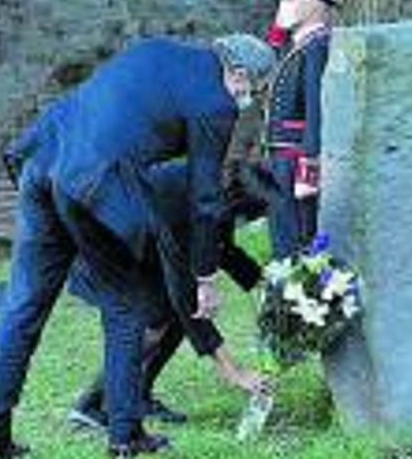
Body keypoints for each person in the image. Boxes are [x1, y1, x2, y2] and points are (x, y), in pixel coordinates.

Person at [0, 34, 275, 458]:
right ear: (237, 73)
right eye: (254, 89)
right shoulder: (215, 101)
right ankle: (125, 433)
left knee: (23, 306)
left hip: (44, 156)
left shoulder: (156, 50)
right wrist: (204, 276)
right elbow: (205, 197)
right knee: (127, 308)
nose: (250, 99)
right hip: (93, 180)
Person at [66, 161, 269, 430]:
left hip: (141, 246)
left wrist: (269, 286)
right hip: (104, 248)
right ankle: (90, 405)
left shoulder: (212, 194)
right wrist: (233, 371)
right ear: (232, 202)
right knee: (152, 323)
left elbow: (222, 248)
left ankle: (139, 396)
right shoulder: (183, 208)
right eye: (247, 217)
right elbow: (185, 296)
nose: (246, 223)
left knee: (168, 316)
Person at [263, 0, 339, 259]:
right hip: (280, 153)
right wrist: (279, 31)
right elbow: (272, 61)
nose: (287, 3)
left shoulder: (318, 46)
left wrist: (310, 164)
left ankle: (298, 294)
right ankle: (284, 289)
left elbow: (315, 106)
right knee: (281, 228)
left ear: (316, 3)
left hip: (296, 155)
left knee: (296, 231)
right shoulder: (299, 45)